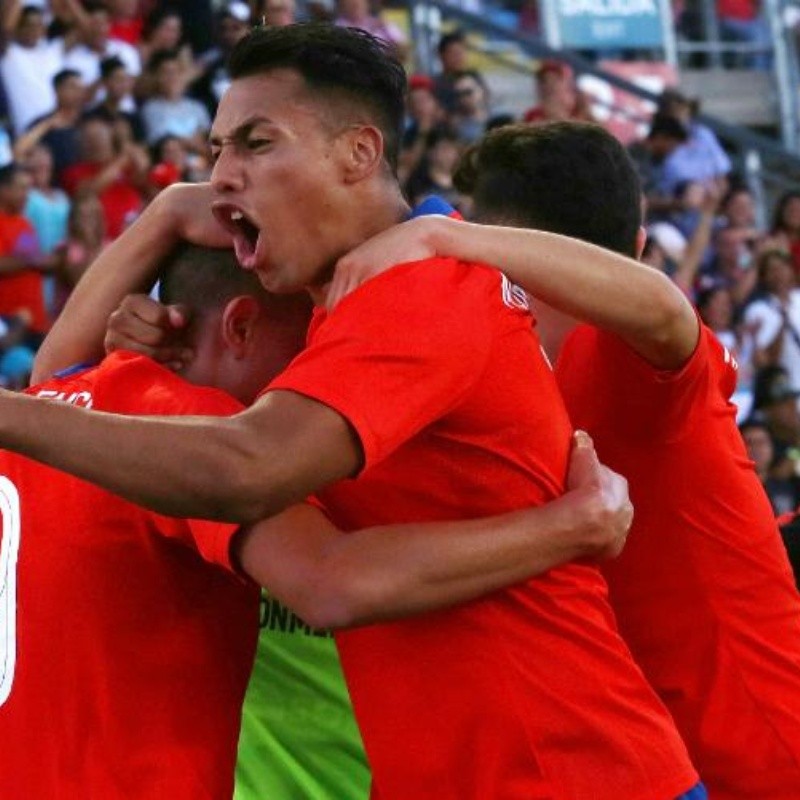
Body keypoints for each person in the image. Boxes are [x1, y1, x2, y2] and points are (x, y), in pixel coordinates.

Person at [5, 25, 698, 799]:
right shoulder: (344, 293)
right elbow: (66, 382)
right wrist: (167, 219)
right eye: (215, 153)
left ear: (358, 154)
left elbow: (250, 470)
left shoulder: (422, 290)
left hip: (563, 769)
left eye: (257, 144)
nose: (224, 177)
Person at [4, 240, 635, 798]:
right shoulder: (204, 443)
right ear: (242, 326)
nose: (323, 371)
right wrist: (572, 526)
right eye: (314, 340)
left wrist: (167, 213)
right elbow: (330, 580)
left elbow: (54, 373)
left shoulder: (56, 411)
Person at [329, 120, 800, 799]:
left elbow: (667, 314)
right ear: (637, 246)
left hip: (746, 758)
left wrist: (450, 236)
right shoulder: (469, 360)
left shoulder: (617, 353)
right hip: (615, 757)